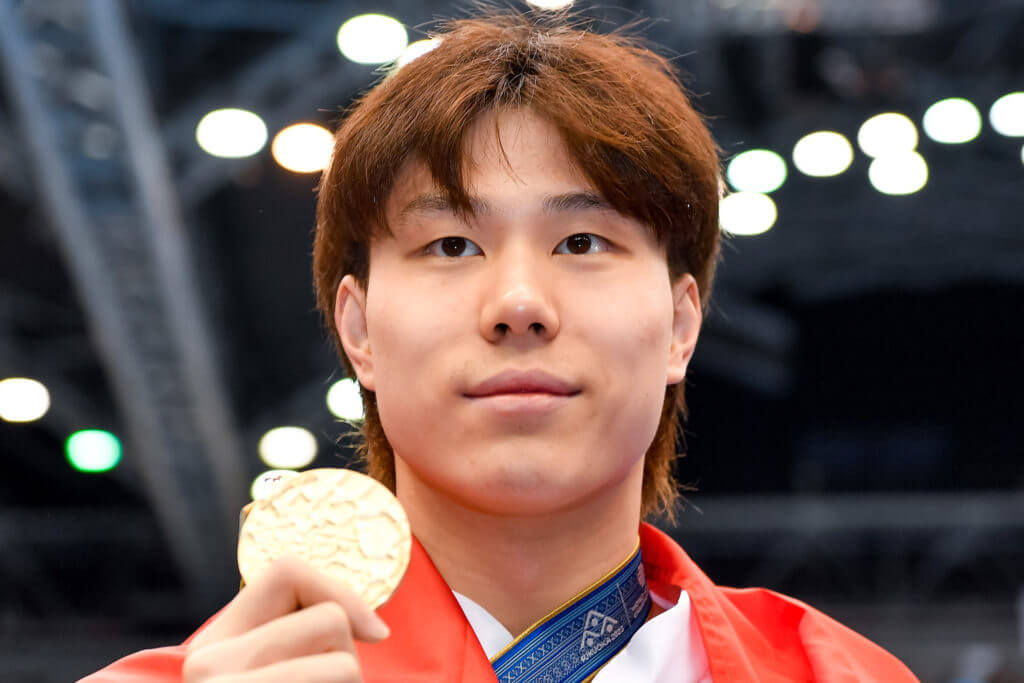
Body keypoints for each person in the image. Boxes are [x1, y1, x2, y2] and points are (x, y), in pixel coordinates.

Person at [82, 9, 919, 683]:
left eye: (583, 242)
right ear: (359, 330)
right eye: (451, 246)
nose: (519, 304)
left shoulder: (840, 673)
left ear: (680, 325)